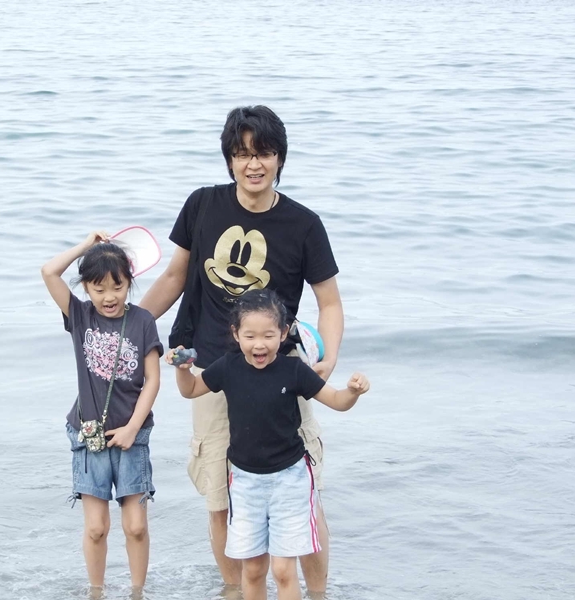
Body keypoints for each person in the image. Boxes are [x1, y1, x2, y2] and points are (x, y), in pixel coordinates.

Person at [139, 105, 344, 593]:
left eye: (264, 153)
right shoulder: (202, 205)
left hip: (282, 371)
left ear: (280, 159)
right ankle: (235, 592)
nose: (254, 164)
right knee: (219, 496)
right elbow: (173, 277)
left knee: (304, 496)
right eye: (242, 154)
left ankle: (317, 594)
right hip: (213, 369)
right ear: (229, 159)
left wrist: (327, 358)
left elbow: (330, 301)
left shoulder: (304, 224)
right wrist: (133, 330)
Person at [167, 290, 369, 600]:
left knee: (284, 570)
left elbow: (337, 401)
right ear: (236, 334)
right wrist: (183, 370)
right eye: (250, 336)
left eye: (268, 335)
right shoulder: (228, 366)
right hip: (244, 483)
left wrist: (352, 392)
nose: (259, 344)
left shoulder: (294, 370)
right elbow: (191, 389)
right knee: (253, 569)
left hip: (290, 480)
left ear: (283, 333)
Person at [41, 232, 164, 595]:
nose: (109, 296)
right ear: (86, 288)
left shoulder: (143, 321)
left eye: (118, 287)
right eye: (99, 289)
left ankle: (137, 592)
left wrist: (132, 428)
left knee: (136, 526)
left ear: (129, 282)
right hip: (89, 434)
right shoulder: (79, 315)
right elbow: (49, 272)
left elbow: (153, 381)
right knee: (96, 528)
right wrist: (86, 246)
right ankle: (96, 591)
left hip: (132, 436)